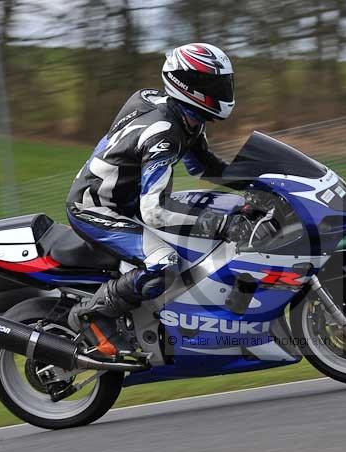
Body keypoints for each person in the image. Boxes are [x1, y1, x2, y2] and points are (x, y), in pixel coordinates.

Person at [65, 43, 248, 360]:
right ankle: (92, 315)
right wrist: (219, 224)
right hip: (96, 208)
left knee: (209, 213)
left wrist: (257, 183)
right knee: (164, 264)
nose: (222, 90)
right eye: (214, 83)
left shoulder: (183, 116)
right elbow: (155, 211)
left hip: (127, 203)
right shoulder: (163, 133)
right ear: (189, 85)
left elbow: (203, 165)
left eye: (223, 82)